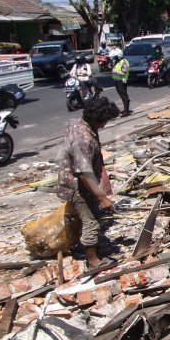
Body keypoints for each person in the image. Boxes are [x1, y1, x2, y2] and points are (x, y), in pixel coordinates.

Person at [56, 96, 120, 268]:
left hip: (79, 178)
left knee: (94, 215)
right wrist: (102, 197)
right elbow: (84, 173)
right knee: (90, 221)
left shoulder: (77, 122)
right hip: (77, 185)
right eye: (104, 121)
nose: (105, 125)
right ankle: (93, 261)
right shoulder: (83, 140)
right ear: (96, 119)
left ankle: (95, 249)